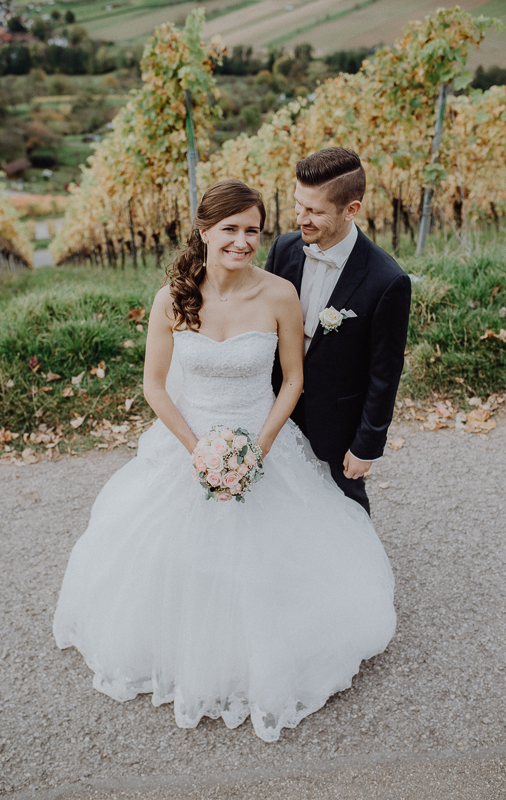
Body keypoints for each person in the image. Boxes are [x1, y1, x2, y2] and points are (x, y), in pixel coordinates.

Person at [53, 179, 396, 742]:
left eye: (252, 230)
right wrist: (199, 451)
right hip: (188, 441)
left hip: (261, 439)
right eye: (230, 229)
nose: (242, 241)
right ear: (204, 231)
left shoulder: (279, 294)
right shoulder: (172, 298)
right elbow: (155, 387)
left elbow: (293, 380)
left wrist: (257, 449)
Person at [266, 148, 412, 514]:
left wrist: (366, 445)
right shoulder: (283, 249)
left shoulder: (387, 280)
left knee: (346, 509)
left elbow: (384, 374)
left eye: (315, 211)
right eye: (298, 204)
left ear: (351, 210)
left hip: (337, 423)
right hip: (276, 409)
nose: (301, 217)